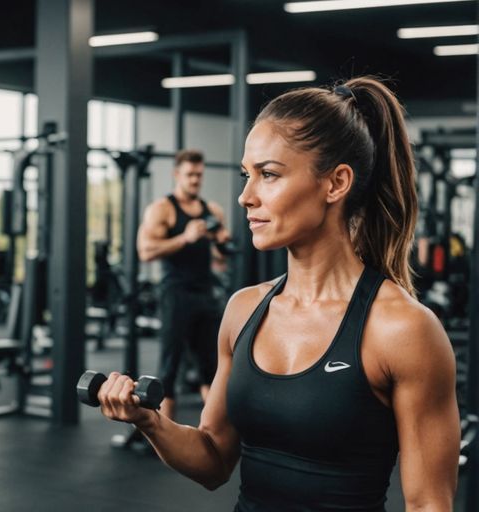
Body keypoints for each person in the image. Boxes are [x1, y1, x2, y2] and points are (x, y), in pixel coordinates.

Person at [98, 77, 459, 510]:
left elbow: (429, 504)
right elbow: (213, 459)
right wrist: (149, 421)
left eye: (268, 175)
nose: (245, 196)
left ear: (336, 183)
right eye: (246, 175)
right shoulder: (243, 310)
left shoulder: (402, 329)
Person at [137, 149, 230, 421]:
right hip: (174, 294)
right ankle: (162, 433)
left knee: (211, 368)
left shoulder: (212, 210)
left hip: (205, 294)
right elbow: (145, 251)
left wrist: (221, 243)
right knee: (169, 367)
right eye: (190, 175)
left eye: (199, 175)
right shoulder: (162, 209)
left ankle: (215, 431)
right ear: (177, 174)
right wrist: (185, 238)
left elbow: (220, 260)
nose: (195, 180)